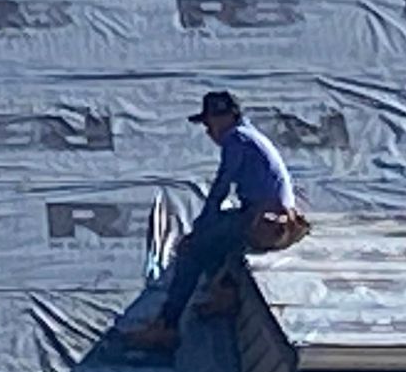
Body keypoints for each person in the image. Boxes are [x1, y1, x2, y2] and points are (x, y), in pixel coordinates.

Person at [128, 91, 306, 350]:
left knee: (191, 252)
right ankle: (224, 291)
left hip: (265, 223)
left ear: (224, 117)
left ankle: (167, 325)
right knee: (218, 239)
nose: (208, 131)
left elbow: (221, 187)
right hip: (276, 220)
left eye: (209, 123)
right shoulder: (251, 136)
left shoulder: (237, 139)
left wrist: (198, 230)